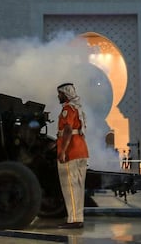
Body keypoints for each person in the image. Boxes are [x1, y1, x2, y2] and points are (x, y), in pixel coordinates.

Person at [56, 82, 89, 229]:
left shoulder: (68, 109)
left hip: (71, 152)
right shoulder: (77, 108)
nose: (58, 96)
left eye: (60, 93)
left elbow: (68, 130)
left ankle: (73, 220)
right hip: (81, 150)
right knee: (79, 187)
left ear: (66, 94)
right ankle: (78, 218)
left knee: (70, 186)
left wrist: (63, 151)